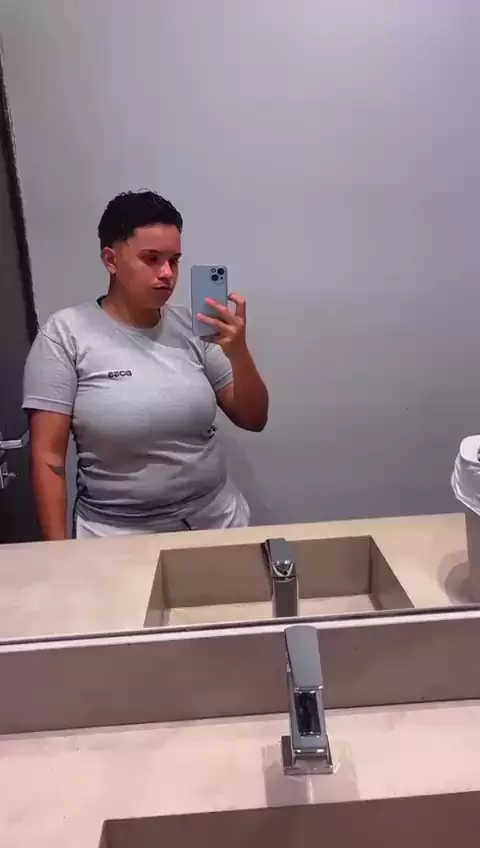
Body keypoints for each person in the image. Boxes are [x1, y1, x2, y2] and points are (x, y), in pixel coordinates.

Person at [23, 190, 268, 540]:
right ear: (111, 260)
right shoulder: (66, 334)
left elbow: (254, 418)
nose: (167, 273)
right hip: (116, 534)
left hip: (215, 521)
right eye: (151, 259)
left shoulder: (195, 329)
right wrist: (58, 554)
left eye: (174, 260)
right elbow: (49, 457)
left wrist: (238, 352)